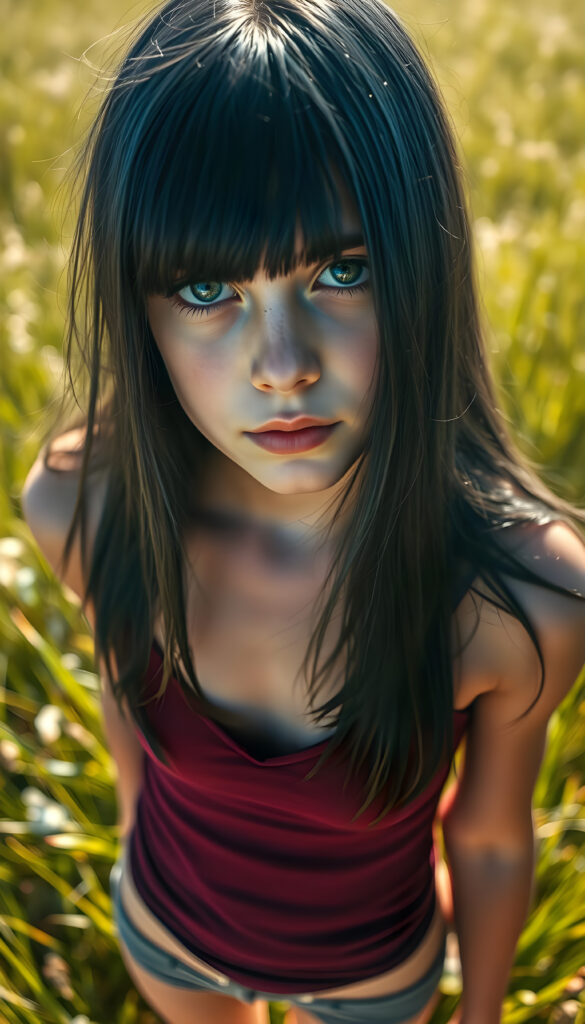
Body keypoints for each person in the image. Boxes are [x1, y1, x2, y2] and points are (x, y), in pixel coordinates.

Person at [20, 1, 585, 1022]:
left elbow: (493, 838)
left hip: (375, 984)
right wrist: (137, 817)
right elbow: (122, 696)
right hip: (168, 939)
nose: (283, 368)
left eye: (343, 270)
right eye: (204, 288)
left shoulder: (517, 600)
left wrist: (483, 1012)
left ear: (427, 265)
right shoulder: (84, 506)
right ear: (133, 303)